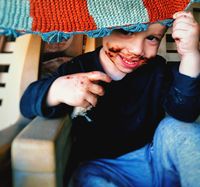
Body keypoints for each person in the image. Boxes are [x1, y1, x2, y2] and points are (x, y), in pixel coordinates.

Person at [20, 11, 200, 187]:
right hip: (101, 168)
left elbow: (184, 113)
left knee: (180, 129)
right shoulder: (77, 70)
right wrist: (56, 90)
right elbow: (26, 104)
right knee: (84, 178)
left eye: (152, 38)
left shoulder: (156, 69)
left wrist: (191, 55)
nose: (137, 49)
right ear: (103, 27)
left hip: (155, 157)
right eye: (127, 31)